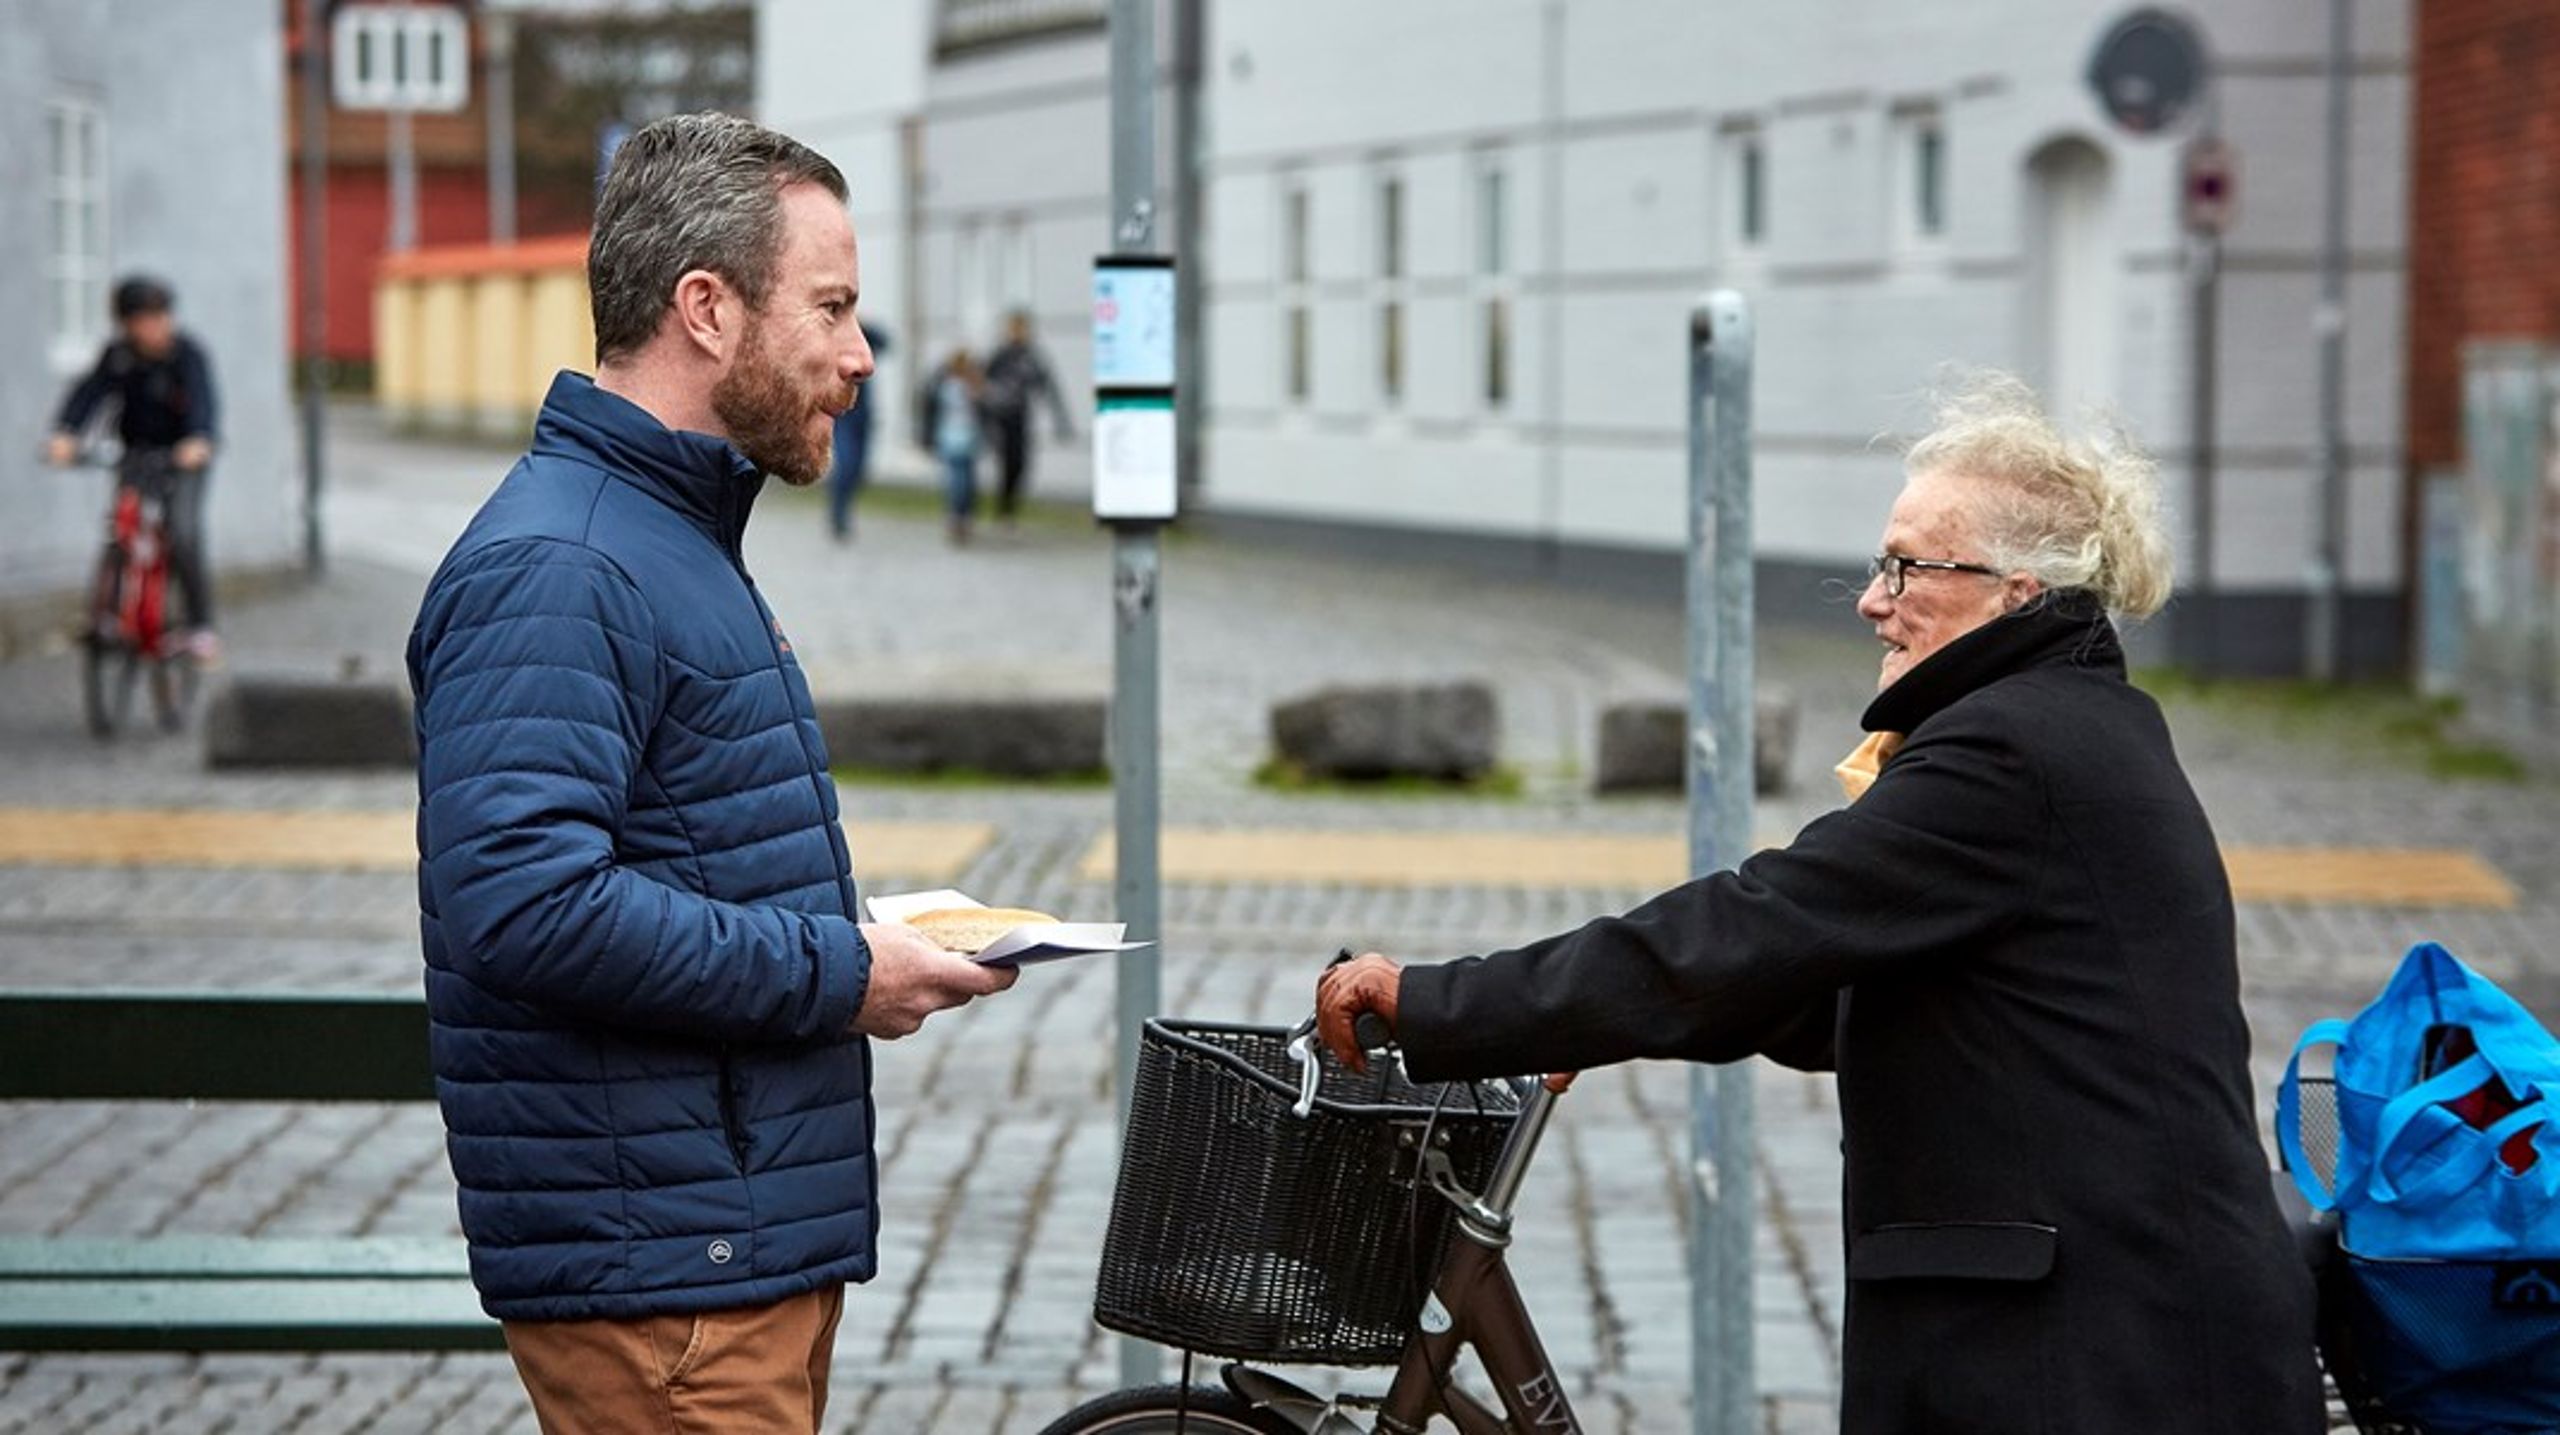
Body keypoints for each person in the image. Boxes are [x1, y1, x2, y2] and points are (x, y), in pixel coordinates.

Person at [1317, 373, 2324, 1435]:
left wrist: (1442, 1003)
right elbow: (1837, 983)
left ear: (2017, 590)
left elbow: (1757, 923)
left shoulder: (2008, 753)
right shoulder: (2070, 723)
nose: (1871, 599)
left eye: (1906, 566)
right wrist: (1567, 1016)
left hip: (2097, 1357)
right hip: (2097, 1330)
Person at [407, 112, 1015, 1435]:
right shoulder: (564, 565)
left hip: (716, 1253)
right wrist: (844, 970)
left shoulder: (661, 535)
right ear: (707, 308)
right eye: (835, 308)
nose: (860, 356)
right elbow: (524, 900)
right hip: (669, 1280)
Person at [45, 275, 221, 661]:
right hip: (136, 456)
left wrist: (199, 438)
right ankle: (109, 610)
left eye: (158, 317)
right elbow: (88, 393)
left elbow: (203, 404)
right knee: (122, 525)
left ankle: (199, 626)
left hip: (183, 460)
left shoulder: (187, 355)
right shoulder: (119, 356)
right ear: (127, 324)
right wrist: (66, 432)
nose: (152, 327)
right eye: (142, 320)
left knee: (183, 532)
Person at [979, 309, 1074, 526]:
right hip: (999, 417)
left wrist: (1061, 421)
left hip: (1020, 417)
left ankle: (1008, 508)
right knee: (1006, 462)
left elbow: (1049, 388)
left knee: (1020, 463)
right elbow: (981, 385)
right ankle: (1003, 510)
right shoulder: (999, 356)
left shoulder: (1032, 357)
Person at [824, 321, 888, 542]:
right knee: (847, 463)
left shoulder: (865, 339)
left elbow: (886, 342)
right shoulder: (836, 338)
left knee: (859, 469)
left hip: (864, 413)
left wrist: (864, 326)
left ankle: (844, 508)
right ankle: (838, 513)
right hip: (844, 414)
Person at [931, 348, 984, 546]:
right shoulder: (966, 387)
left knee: (957, 479)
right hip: (964, 437)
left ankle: (956, 514)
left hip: (951, 437)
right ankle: (961, 514)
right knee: (964, 480)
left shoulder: (945, 385)